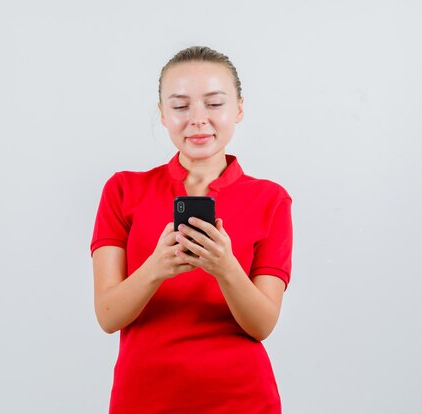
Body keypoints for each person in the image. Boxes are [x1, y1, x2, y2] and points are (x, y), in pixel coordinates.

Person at [90, 46, 293, 413]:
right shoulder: (122, 190)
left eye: (214, 103)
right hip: (143, 398)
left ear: (239, 109)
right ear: (163, 115)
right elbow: (107, 315)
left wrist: (225, 267)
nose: (198, 119)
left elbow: (262, 324)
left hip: (242, 399)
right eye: (181, 107)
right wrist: (155, 269)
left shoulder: (271, 199)